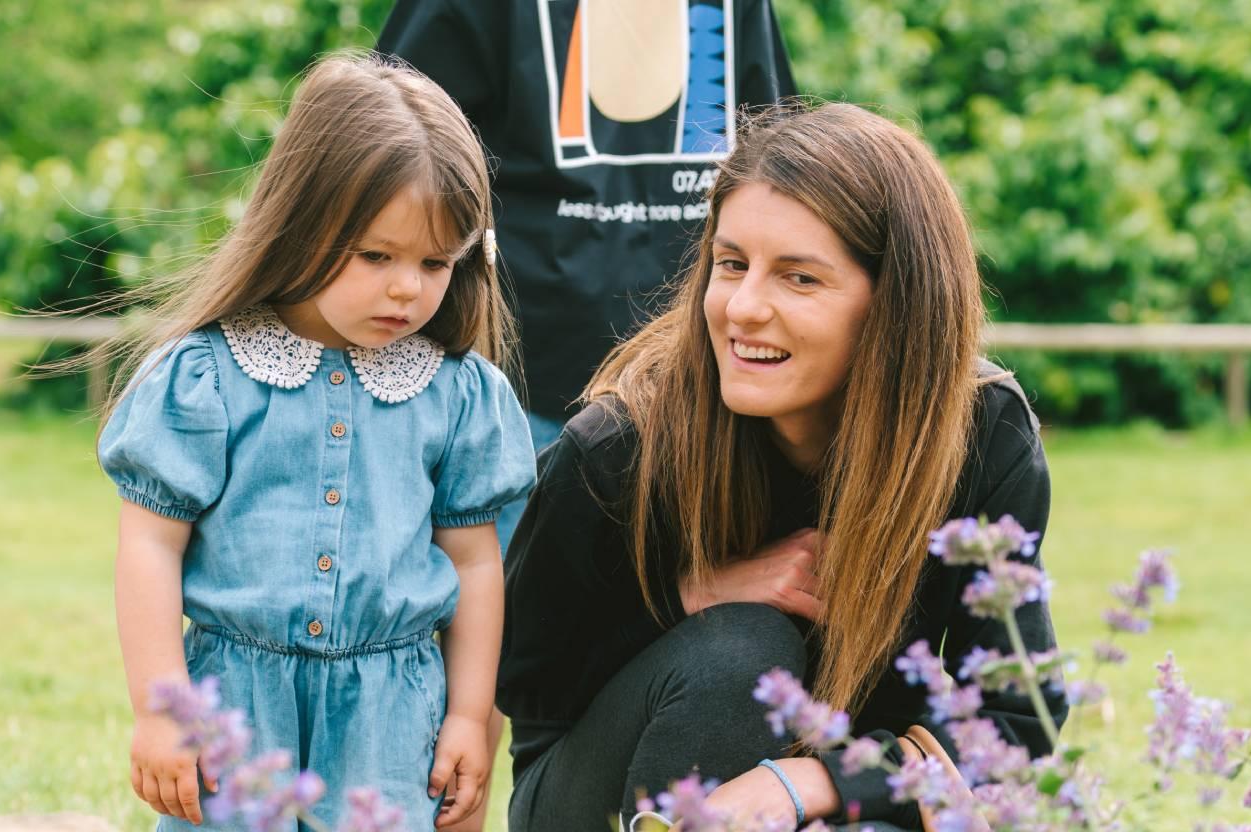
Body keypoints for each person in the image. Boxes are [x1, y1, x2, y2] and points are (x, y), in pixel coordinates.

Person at [498, 102, 1068, 830]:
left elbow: (1020, 724)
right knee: (745, 652)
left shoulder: (980, 434)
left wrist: (813, 781)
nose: (743, 307)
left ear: (895, 304)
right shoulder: (619, 447)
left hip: (838, 786)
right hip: (600, 794)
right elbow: (526, 680)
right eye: (731, 264)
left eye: (798, 279)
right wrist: (689, 600)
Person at [97, 53, 535, 831]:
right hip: (233, 708)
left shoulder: (456, 394)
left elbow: (474, 561)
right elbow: (150, 546)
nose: (408, 288)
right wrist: (160, 707)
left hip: (390, 720)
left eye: (437, 262)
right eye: (377, 256)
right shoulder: (208, 378)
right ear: (302, 222)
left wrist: (469, 716)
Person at [374, 0, 798, 550]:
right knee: (517, 613)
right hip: (515, 389)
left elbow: (777, 158)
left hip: (703, 387)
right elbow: (387, 140)